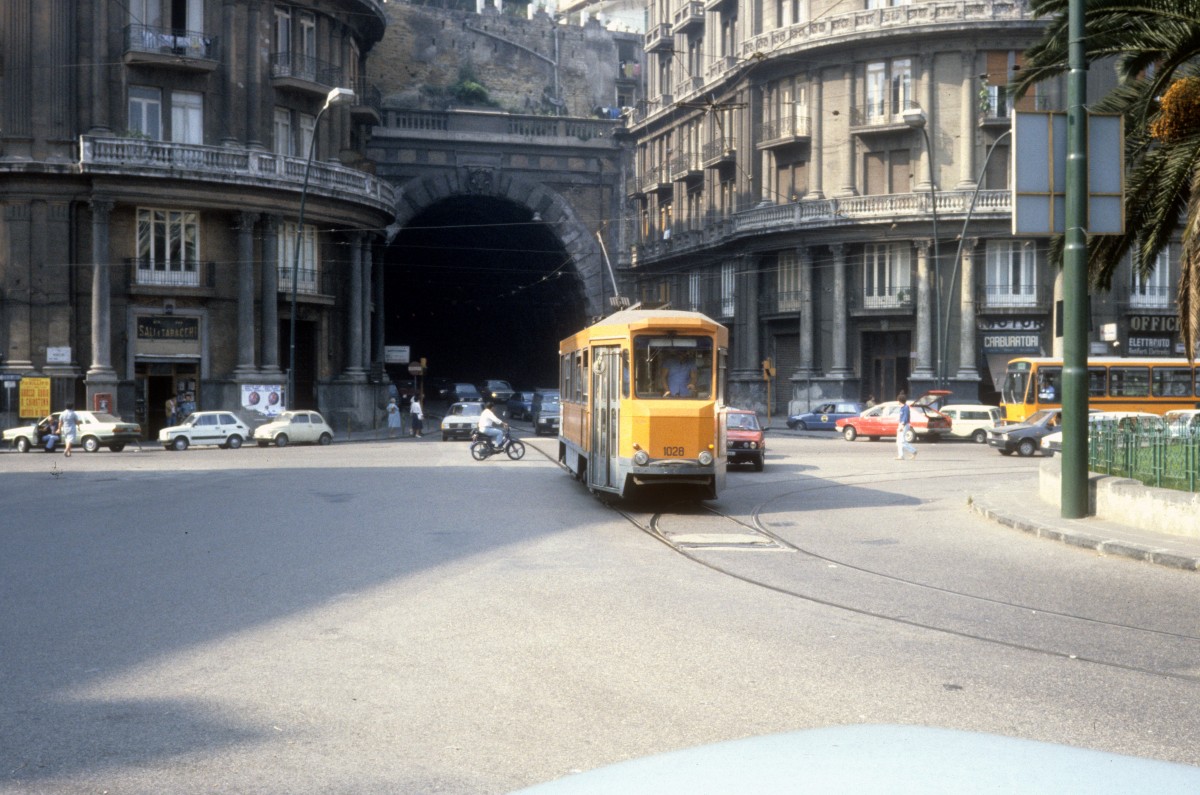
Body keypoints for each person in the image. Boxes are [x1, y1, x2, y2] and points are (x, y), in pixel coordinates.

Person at [895, 392, 917, 461]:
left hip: (904, 425)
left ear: (899, 400)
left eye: (898, 400)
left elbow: (905, 417)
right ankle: (901, 455)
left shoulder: (906, 407)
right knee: (899, 441)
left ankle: (913, 451)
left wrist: (902, 425)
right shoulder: (902, 408)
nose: (897, 401)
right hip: (901, 424)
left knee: (902, 441)